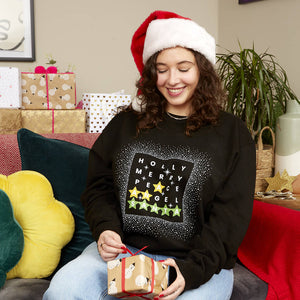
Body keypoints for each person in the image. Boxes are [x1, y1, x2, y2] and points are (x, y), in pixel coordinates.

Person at [43, 10, 256, 300]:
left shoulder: (233, 134)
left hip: (195, 263)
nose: (172, 79)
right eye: (162, 68)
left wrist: (191, 270)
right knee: (62, 292)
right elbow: (99, 188)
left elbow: (231, 217)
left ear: (202, 69)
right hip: (122, 254)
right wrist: (106, 231)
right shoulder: (126, 124)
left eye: (184, 67)